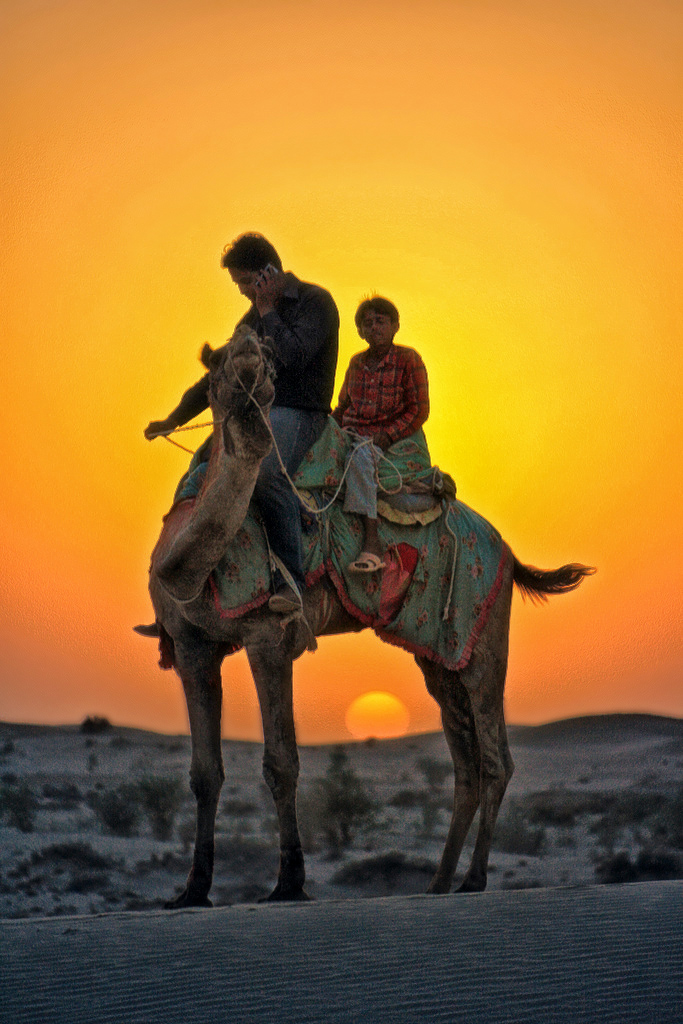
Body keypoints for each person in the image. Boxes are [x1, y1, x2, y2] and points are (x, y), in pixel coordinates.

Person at [143, 233, 339, 617]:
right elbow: (219, 375)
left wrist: (267, 312)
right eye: (240, 286)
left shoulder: (315, 303)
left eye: (245, 283)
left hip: (301, 412)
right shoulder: (251, 319)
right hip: (257, 414)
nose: (244, 293)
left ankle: (291, 582)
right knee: (201, 471)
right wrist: (173, 419)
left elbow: (295, 358)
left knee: (265, 472)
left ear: (269, 273)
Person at [331, 296, 430, 572]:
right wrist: (325, 427)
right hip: (352, 431)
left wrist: (387, 435)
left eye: (380, 321)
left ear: (395, 326)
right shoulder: (356, 363)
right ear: (360, 331)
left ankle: (371, 542)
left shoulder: (409, 360)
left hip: (385, 438)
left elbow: (419, 409)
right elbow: (343, 407)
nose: (374, 327)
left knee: (360, 459)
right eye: (367, 323)